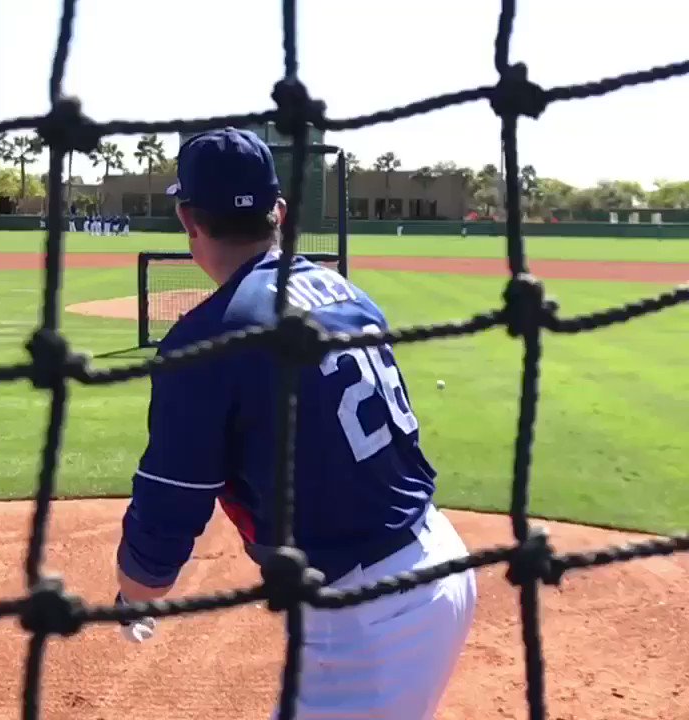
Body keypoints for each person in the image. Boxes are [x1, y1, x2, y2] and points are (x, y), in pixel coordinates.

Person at [112, 128, 476, 720]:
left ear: (188, 219)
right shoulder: (346, 292)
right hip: (438, 561)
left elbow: (166, 523)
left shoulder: (204, 342)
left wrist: (132, 594)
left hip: (369, 616)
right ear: (278, 212)